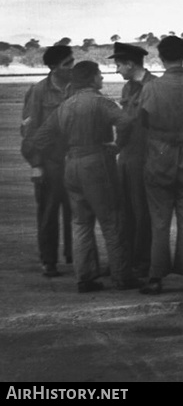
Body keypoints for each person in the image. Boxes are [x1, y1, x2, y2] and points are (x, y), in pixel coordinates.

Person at [30, 61, 135, 293]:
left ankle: (84, 278)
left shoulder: (65, 106)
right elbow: (126, 122)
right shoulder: (100, 102)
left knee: (81, 224)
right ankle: (122, 276)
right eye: (99, 74)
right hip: (97, 163)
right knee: (111, 221)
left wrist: (63, 152)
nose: (102, 78)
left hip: (71, 165)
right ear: (91, 78)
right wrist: (117, 145)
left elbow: (39, 138)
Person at [139, 36, 183, 295]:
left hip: (160, 157)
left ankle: (156, 278)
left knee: (159, 221)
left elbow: (144, 120)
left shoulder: (152, 88)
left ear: (161, 57)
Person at [20, 45, 75, 277]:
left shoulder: (76, 89)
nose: (72, 67)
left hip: (73, 160)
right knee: (49, 212)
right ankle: (49, 261)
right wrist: (36, 164)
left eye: (73, 62)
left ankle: (75, 259)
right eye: (67, 64)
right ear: (53, 67)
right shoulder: (39, 91)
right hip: (50, 163)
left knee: (78, 212)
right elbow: (30, 131)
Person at [109, 43, 154, 281]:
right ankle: (128, 260)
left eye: (118, 64)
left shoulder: (153, 86)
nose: (117, 70)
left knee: (142, 212)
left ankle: (143, 262)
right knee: (125, 212)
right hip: (126, 157)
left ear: (130, 64)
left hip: (144, 158)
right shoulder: (128, 88)